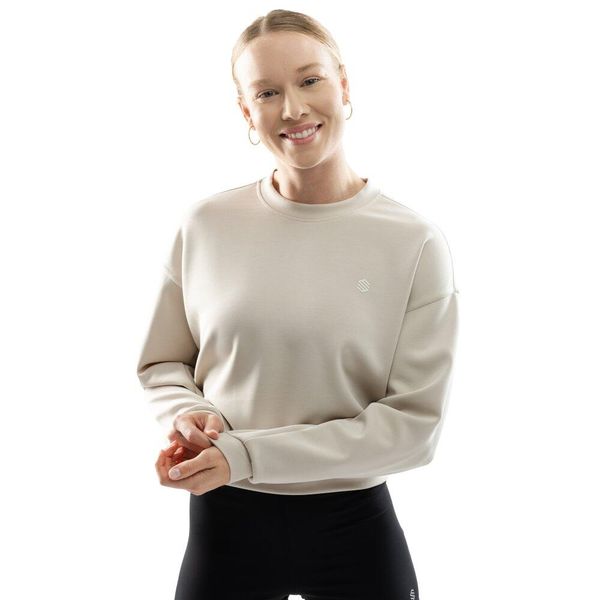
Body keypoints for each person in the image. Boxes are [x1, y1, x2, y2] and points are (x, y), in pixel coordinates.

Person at [137, 9, 460, 600]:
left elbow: (414, 427)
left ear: (344, 84)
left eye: (310, 80)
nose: (292, 108)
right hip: (223, 522)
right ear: (246, 111)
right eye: (267, 92)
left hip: (353, 527)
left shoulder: (412, 243)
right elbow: (163, 364)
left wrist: (245, 455)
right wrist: (186, 416)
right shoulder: (205, 226)